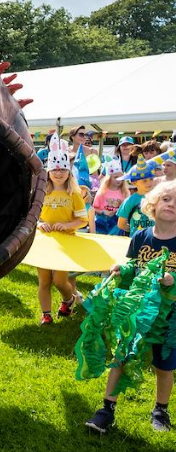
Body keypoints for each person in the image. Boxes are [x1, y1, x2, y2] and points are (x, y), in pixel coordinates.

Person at [85, 180, 176, 433]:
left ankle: (161, 409)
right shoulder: (141, 237)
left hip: (169, 320)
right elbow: (132, 268)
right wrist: (121, 269)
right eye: (166, 199)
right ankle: (107, 409)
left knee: (163, 365)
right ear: (153, 205)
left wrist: (172, 280)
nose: (171, 205)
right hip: (135, 313)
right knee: (121, 356)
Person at [36, 138, 88, 325]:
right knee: (44, 281)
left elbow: (82, 220)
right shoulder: (42, 191)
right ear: (49, 171)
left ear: (69, 172)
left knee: (59, 280)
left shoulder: (73, 194)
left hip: (65, 243)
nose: (58, 173)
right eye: (55, 169)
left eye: (63, 170)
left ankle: (68, 299)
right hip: (45, 241)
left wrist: (66, 226)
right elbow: (32, 215)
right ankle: (46, 314)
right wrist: (40, 224)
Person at [117, 155, 157, 237]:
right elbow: (121, 224)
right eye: (144, 181)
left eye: (151, 179)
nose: (149, 183)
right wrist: (133, 231)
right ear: (134, 183)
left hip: (155, 239)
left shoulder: (158, 198)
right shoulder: (130, 201)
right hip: (136, 241)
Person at [93, 160, 129, 235]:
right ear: (109, 178)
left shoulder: (124, 192)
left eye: (121, 177)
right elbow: (94, 208)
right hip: (102, 219)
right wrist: (103, 212)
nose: (119, 180)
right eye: (115, 177)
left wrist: (118, 212)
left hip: (116, 221)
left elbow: (126, 209)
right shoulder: (102, 192)